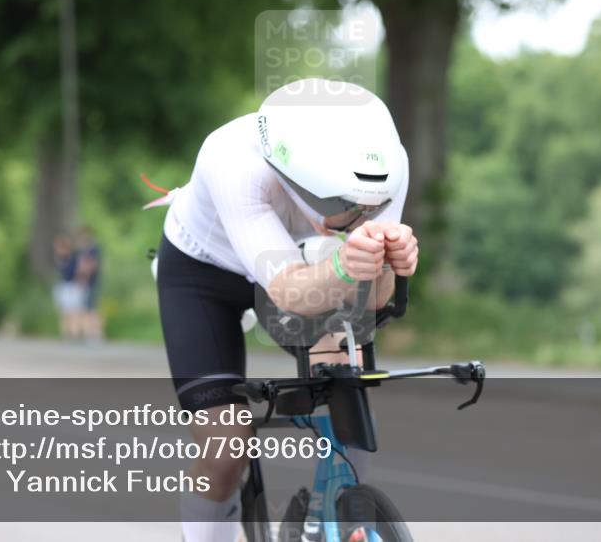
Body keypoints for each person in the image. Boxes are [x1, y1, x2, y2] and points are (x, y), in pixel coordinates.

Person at [155, 78, 418, 542]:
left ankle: (342, 509)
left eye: (368, 207)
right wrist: (345, 261)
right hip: (204, 273)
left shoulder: (385, 167)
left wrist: (393, 264)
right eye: (345, 206)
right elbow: (291, 292)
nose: (359, 216)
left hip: (303, 256)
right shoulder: (232, 161)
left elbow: (375, 301)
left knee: (344, 373)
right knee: (225, 445)